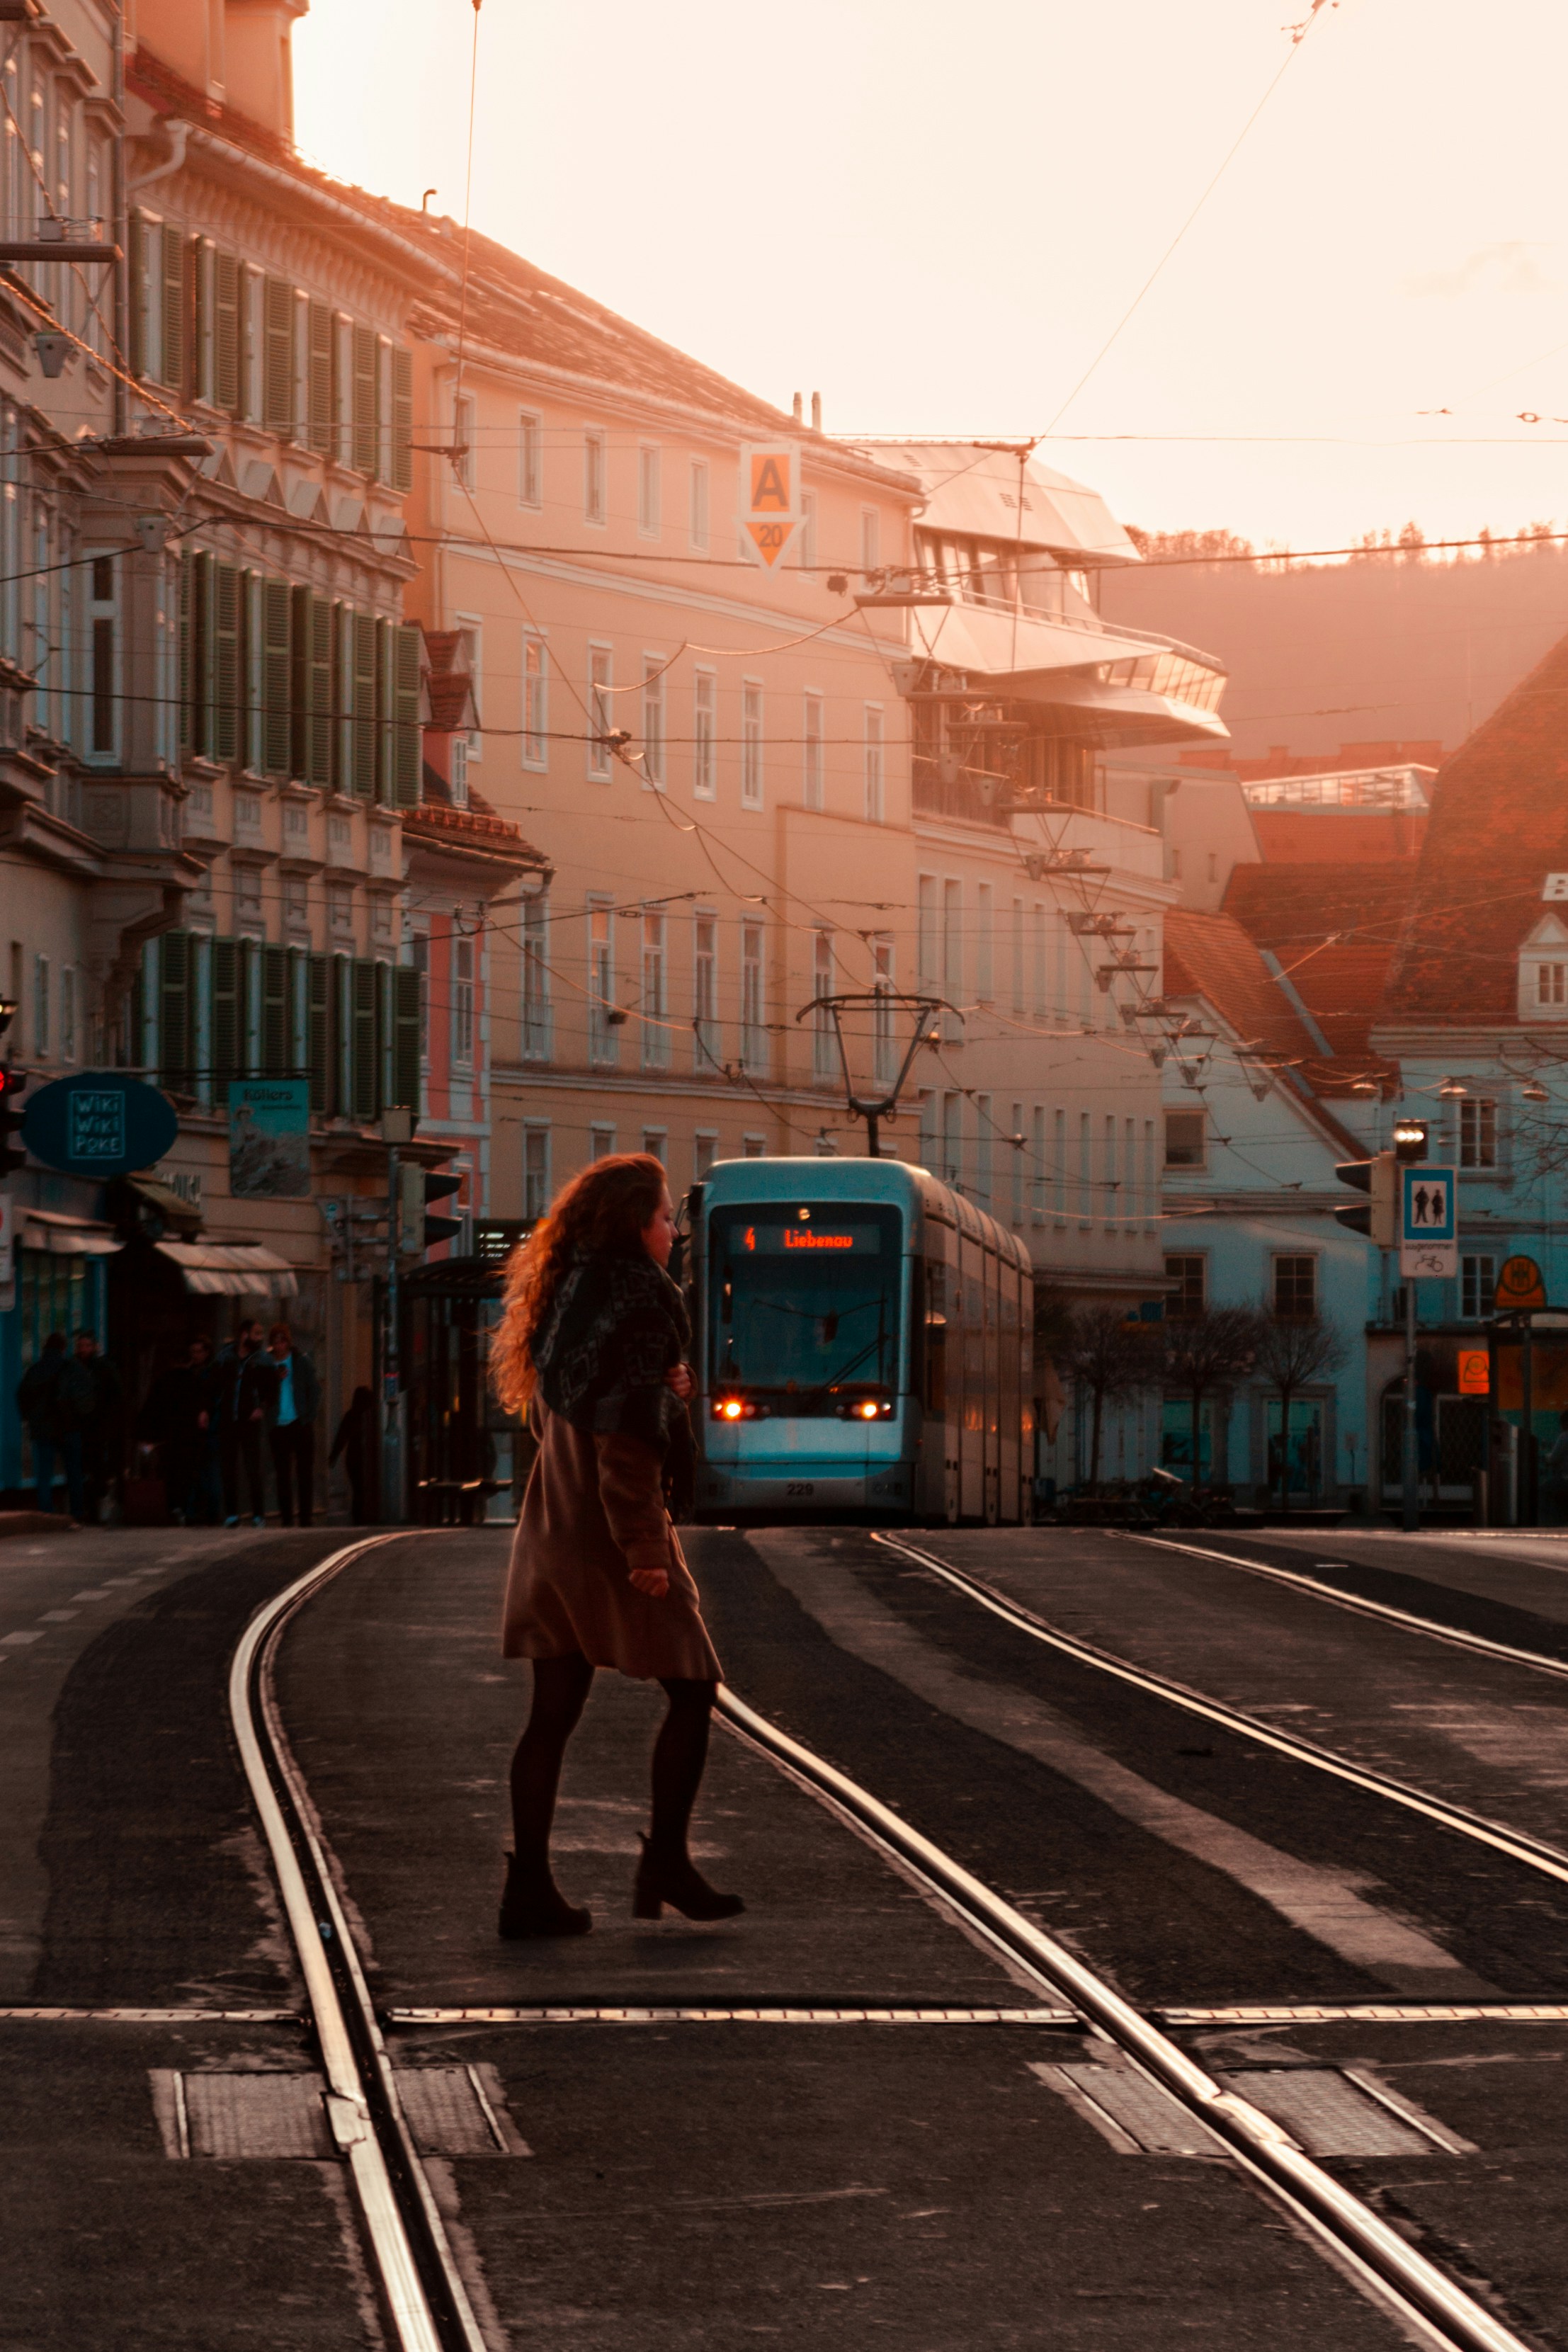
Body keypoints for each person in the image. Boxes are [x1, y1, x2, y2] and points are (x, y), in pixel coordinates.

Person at [490, 1152, 741, 1940]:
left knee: (551, 1716)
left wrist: (673, 1398)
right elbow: (627, 1441)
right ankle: (665, 1859)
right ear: (639, 1225)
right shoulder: (642, 1300)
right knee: (694, 1687)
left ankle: (528, 1884)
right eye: (668, 1218)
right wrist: (645, 1551)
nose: (674, 1232)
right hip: (607, 1533)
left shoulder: (570, 1292)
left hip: (553, 1524)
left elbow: (564, 1413)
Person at [254, 1322, 320, 1528]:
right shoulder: (266, 1364)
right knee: (282, 1474)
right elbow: (260, 1391)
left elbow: (315, 1389)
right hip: (278, 1425)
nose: (280, 1346)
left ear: (288, 1342)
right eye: (276, 1342)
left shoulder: (301, 1362)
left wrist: (308, 1416)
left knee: (304, 1473)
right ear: (272, 1344)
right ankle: (286, 1518)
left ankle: (306, 1517)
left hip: (299, 1423)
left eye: (283, 1341)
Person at [18, 1331, 89, 1521]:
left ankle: (45, 1514)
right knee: (74, 1470)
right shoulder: (72, 1368)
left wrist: (31, 1418)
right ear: (63, 1348)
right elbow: (83, 1398)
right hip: (68, 1427)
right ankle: (77, 1513)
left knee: (44, 1472)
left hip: (42, 1428)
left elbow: (23, 1397)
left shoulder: (35, 1370)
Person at [217, 1320, 268, 1526]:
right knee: (229, 1469)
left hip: (250, 1422)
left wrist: (261, 1408)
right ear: (244, 1335)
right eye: (256, 1333)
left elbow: (271, 1389)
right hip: (229, 1421)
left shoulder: (262, 1360)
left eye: (261, 1333)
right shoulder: (225, 1357)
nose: (260, 1338)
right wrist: (207, 1409)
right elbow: (214, 1384)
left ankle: (258, 1515)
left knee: (252, 1469)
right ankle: (231, 1515)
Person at [74, 1330, 123, 1525]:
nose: (83, 1349)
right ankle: (90, 1510)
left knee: (97, 1470)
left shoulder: (103, 1367)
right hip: (82, 1427)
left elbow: (116, 1396)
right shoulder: (74, 1368)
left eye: (87, 1346)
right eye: (80, 1346)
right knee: (87, 1468)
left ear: (94, 1347)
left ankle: (96, 1510)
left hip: (99, 1427)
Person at [329, 1385, 379, 1523]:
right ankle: (365, 1517)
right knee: (364, 1489)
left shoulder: (351, 1415)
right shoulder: (371, 1415)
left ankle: (358, 1518)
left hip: (353, 1457)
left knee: (358, 1490)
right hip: (364, 1458)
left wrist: (334, 1455)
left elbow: (342, 1436)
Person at [1545, 1410, 1568, 1524]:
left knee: (1544, 1490)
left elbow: (1554, 1458)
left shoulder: (1564, 1437)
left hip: (1565, 1478)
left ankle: (1549, 1522)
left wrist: (1547, 1457)